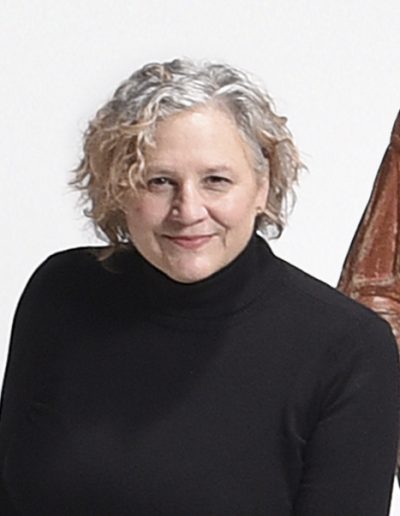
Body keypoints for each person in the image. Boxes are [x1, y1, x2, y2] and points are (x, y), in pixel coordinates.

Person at [0, 58, 398, 516]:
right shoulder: (62, 291)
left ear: (262, 186)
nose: (188, 210)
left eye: (216, 181)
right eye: (159, 181)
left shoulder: (348, 348)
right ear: (119, 187)